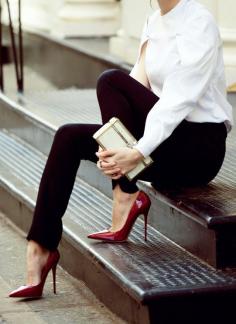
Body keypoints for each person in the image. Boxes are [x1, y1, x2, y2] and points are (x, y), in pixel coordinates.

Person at [9, 0, 233, 298]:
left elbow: (179, 99)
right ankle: (40, 248)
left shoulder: (199, 21)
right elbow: (133, 90)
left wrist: (137, 153)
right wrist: (112, 150)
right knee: (68, 136)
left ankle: (125, 193)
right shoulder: (154, 21)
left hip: (199, 148)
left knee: (110, 79)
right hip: (163, 141)